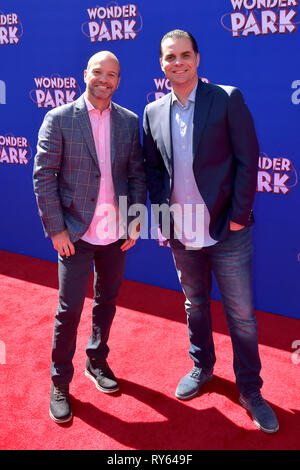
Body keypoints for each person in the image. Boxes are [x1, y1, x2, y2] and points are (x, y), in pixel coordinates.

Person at [143, 29, 279, 433]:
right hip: (182, 235)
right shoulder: (153, 112)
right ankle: (202, 367)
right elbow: (153, 170)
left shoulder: (226, 98)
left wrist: (238, 216)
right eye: (170, 57)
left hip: (227, 231)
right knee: (195, 306)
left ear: (198, 59)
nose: (178, 63)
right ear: (161, 64)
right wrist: (163, 220)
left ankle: (250, 389)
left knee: (241, 317)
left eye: (185, 55)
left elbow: (247, 159)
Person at [33, 51, 146, 423]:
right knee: (69, 311)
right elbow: (44, 176)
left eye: (112, 74)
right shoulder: (60, 119)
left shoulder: (129, 122)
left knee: (107, 301)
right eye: (98, 72)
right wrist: (56, 229)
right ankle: (59, 381)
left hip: (115, 235)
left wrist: (135, 218)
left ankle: (96, 361)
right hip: (76, 234)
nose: (105, 79)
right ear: (85, 74)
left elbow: (136, 174)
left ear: (118, 80)